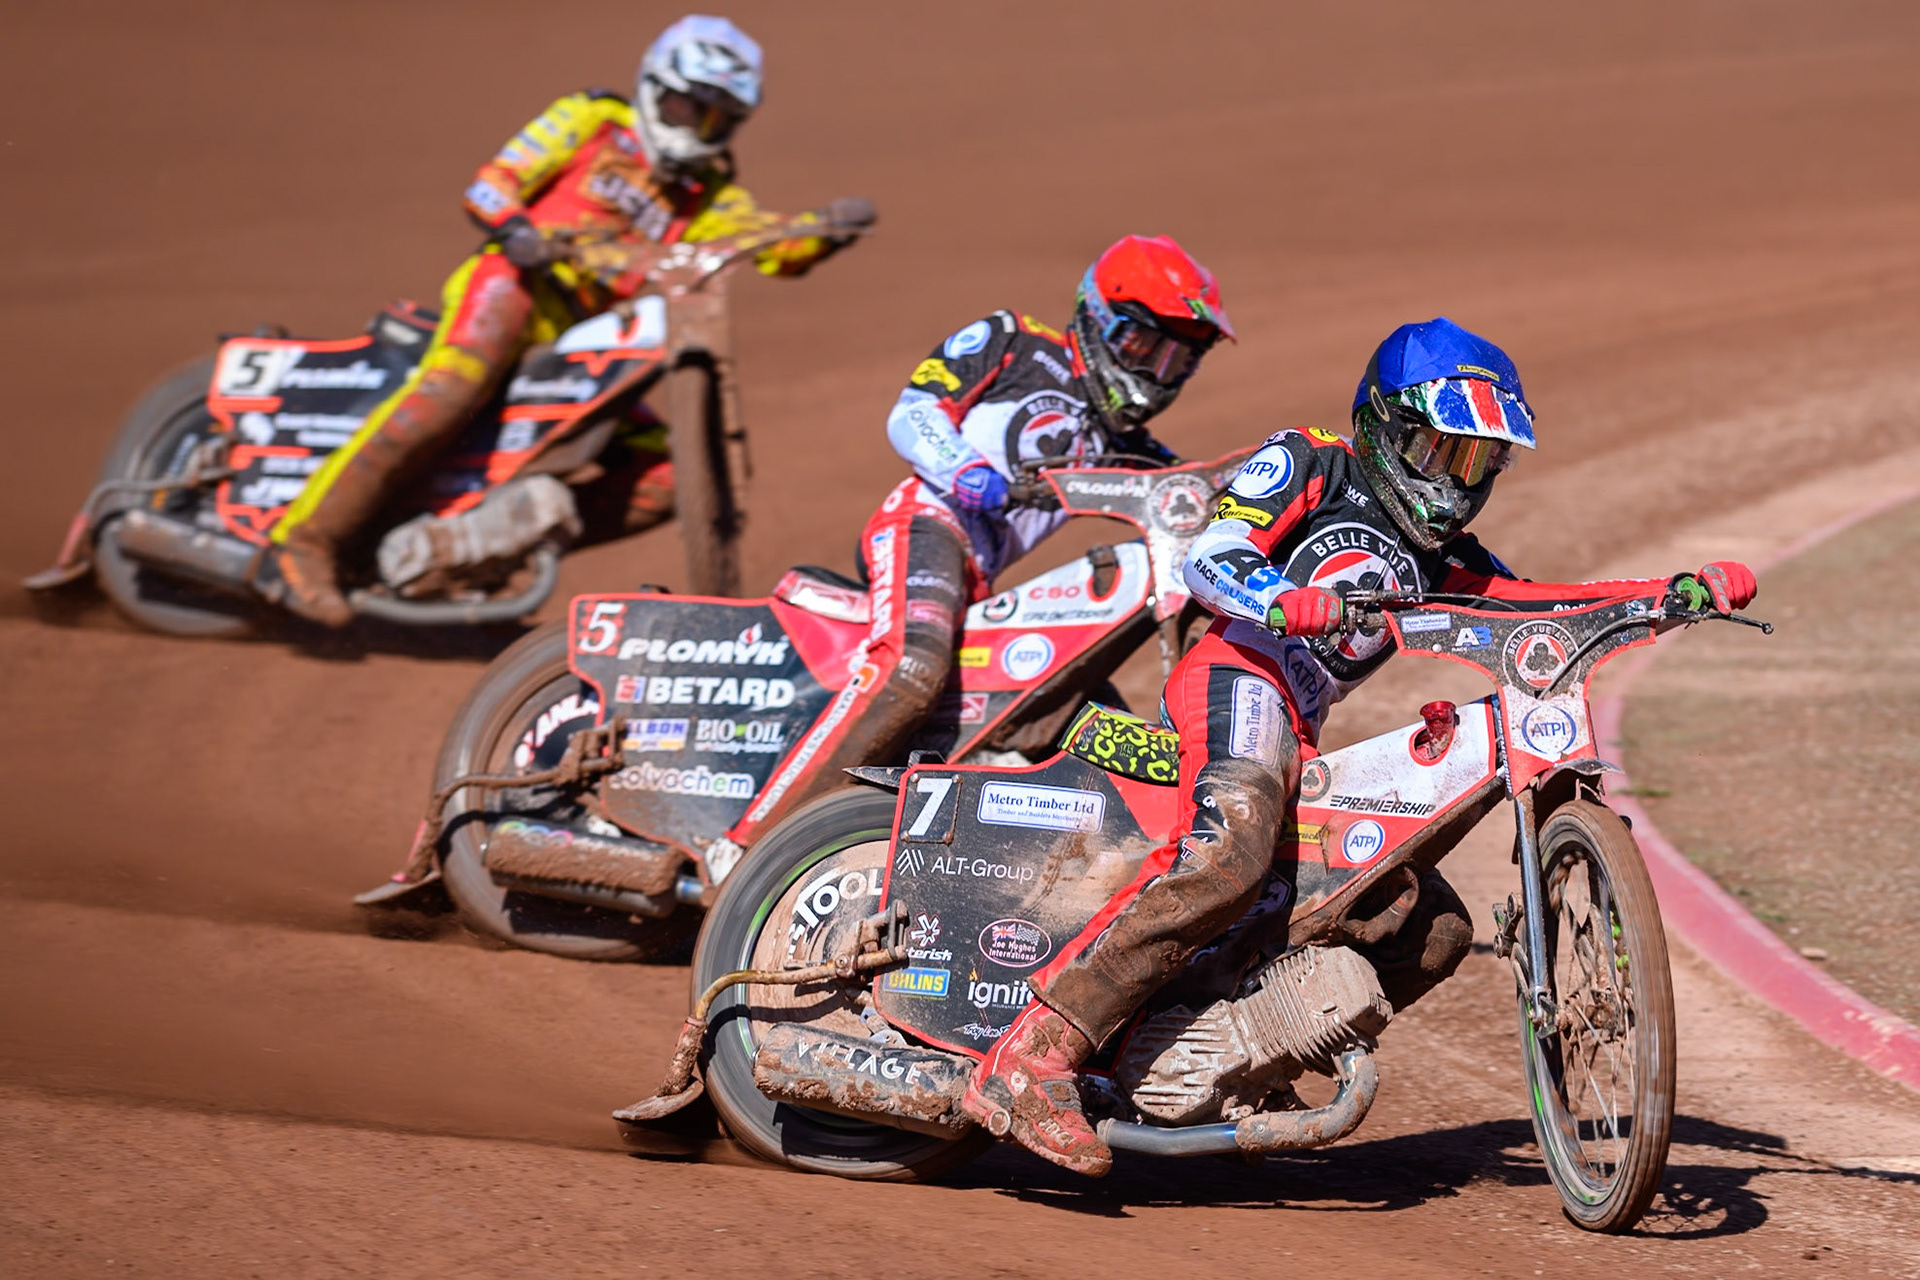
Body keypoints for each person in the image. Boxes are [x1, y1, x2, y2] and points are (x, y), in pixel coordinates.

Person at [961, 316, 1760, 1175]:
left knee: (1434, 927)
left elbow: (1543, 604)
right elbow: (1211, 553)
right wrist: (1280, 599)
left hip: (1302, 728)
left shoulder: (1447, 558)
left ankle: (1235, 1058)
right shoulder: (1311, 461)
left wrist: (1671, 591)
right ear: (1386, 427)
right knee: (1232, 845)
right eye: (1445, 452)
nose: (1459, 485)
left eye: (1479, 463)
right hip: (1236, 676)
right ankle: (1033, 1055)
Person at [272, 14, 872, 625]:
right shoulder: (593, 120)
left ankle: (485, 543)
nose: (699, 128)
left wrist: (822, 231)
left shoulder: (710, 192)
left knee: (666, 474)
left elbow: (767, 248)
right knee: (451, 392)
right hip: (516, 288)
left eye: (719, 117)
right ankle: (303, 543)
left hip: (586, 338)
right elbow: (491, 184)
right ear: (654, 86)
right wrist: (517, 231)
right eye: (690, 107)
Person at [698, 234, 1234, 875]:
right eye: (1146, 344)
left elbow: (1191, 488)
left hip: (980, 578)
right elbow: (913, 411)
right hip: (928, 522)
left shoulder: (1124, 444)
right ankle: (747, 847)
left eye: (1179, 359)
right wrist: (964, 470)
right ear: (1099, 317)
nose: (1155, 370)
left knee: (1064, 697)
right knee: (912, 667)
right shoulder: (1014, 341)